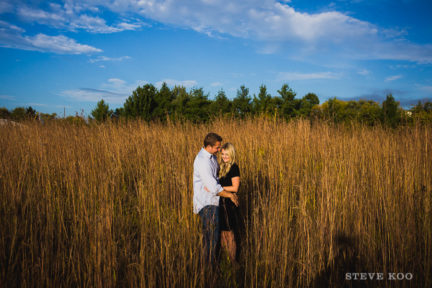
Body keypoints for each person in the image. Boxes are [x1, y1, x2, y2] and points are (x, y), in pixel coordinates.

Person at [193, 133, 238, 266]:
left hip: (214, 202)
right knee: (211, 238)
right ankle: (208, 267)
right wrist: (230, 195)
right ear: (209, 146)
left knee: (214, 236)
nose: (220, 150)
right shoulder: (202, 161)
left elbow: (216, 181)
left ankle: (215, 263)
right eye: (217, 148)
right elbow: (213, 187)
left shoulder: (211, 157)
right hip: (207, 204)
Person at [217, 143, 240, 264]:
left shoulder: (234, 167)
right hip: (220, 202)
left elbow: (235, 187)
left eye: (227, 154)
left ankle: (233, 260)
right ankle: (226, 259)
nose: (225, 156)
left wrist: (219, 188)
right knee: (222, 232)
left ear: (232, 154)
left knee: (230, 233)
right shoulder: (220, 167)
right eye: (223, 154)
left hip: (229, 204)